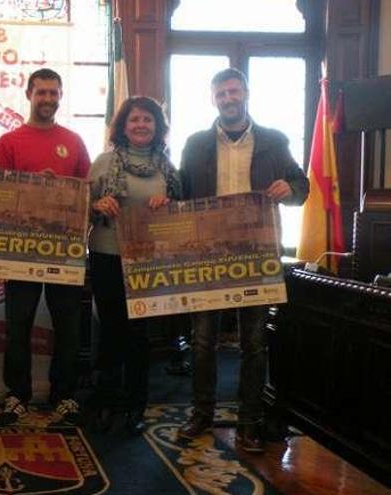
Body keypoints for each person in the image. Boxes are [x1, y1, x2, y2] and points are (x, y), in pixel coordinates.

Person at [177, 68, 309, 452]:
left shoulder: (274, 140)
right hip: (206, 257)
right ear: (213, 98)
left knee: (254, 342)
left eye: (233, 91)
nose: (228, 98)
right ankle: (202, 413)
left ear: (246, 93)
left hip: (257, 256)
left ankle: (249, 422)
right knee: (202, 341)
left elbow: (302, 187)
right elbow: (182, 194)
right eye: (221, 93)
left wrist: (290, 188)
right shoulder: (195, 143)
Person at [0, 68, 90, 427]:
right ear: (29, 94)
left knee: (67, 325)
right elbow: (0, 199)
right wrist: (33, 188)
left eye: (54, 92)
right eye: (42, 92)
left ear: (60, 96)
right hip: (21, 250)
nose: (48, 99)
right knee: (17, 324)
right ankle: (17, 395)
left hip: (64, 250)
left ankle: (63, 394)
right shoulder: (9, 142)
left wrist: (60, 188)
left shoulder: (75, 141)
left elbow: (85, 195)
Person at [90, 96, 182, 435]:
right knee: (111, 331)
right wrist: (97, 203)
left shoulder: (168, 169)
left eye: (147, 119)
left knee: (139, 335)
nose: (141, 125)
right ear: (123, 127)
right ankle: (105, 400)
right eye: (134, 120)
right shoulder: (102, 162)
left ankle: (135, 405)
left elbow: (182, 217)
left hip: (148, 262)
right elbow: (80, 209)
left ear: (157, 126)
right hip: (107, 256)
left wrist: (169, 204)